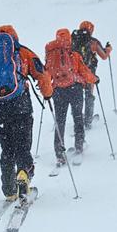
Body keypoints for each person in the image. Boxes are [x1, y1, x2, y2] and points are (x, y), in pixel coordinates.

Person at [0, 25, 52, 200]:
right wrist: (47, 93)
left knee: (7, 149)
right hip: (20, 105)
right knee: (23, 145)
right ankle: (23, 173)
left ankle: (9, 190)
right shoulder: (22, 52)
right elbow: (42, 74)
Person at [44, 28, 98, 166]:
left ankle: (59, 154)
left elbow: (47, 73)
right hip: (75, 89)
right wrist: (94, 79)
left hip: (57, 92)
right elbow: (84, 72)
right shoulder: (74, 55)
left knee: (60, 122)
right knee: (78, 117)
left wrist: (46, 90)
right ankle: (79, 146)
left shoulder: (51, 55)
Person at [70, 20, 112, 129]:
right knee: (89, 95)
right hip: (89, 73)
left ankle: (77, 119)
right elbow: (103, 56)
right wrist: (108, 49)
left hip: (76, 73)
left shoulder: (72, 40)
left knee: (77, 97)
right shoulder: (93, 42)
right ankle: (88, 121)